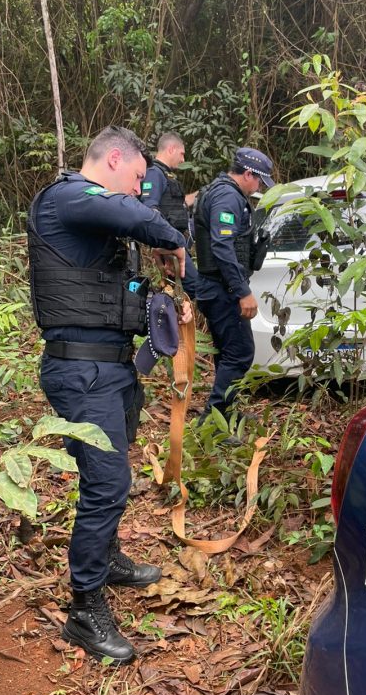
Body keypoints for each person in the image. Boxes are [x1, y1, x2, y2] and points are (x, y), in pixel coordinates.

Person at [28, 125, 194, 665]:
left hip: (111, 370)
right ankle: (84, 608)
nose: (139, 191)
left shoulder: (94, 223)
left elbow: (114, 293)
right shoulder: (68, 197)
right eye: (139, 179)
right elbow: (139, 218)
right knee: (107, 482)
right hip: (80, 374)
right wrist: (174, 239)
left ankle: (109, 559)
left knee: (112, 475)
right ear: (115, 159)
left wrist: (163, 303)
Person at [193, 147, 274, 420]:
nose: (259, 186)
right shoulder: (227, 196)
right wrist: (242, 291)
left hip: (216, 287)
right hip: (222, 289)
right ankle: (213, 420)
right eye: (259, 180)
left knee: (228, 353)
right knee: (240, 353)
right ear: (248, 174)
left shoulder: (220, 191)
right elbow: (222, 247)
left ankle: (225, 414)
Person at [139, 132, 197, 240]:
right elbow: (150, 208)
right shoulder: (154, 173)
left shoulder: (166, 175)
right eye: (182, 154)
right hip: (165, 241)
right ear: (171, 149)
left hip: (175, 238)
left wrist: (199, 193)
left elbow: (177, 205)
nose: (183, 160)